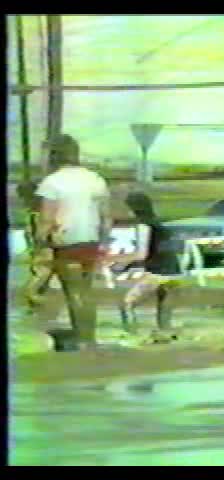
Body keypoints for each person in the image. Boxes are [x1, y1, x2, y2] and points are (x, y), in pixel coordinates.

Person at [35, 134, 112, 351]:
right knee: (86, 291)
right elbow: (106, 217)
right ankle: (90, 338)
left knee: (73, 293)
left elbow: (47, 219)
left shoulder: (52, 182)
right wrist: (103, 241)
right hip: (90, 241)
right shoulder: (95, 179)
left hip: (65, 242)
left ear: (54, 155)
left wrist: (39, 243)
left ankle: (82, 339)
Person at [104, 192, 183, 334]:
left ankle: (131, 334)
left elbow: (141, 254)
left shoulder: (143, 226)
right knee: (164, 311)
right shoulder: (159, 224)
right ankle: (167, 335)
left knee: (127, 304)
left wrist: (115, 260)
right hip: (175, 272)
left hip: (157, 273)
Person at [16, 181, 55, 311]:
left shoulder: (31, 209)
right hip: (42, 243)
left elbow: (29, 232)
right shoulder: (38, 209)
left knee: (40, 271)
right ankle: (31, 294)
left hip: (38, 242)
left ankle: (34, 300)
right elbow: (40, 227)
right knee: (43, 271)